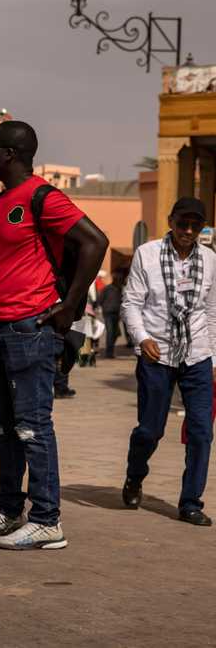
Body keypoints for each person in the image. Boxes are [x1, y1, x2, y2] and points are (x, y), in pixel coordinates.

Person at [0, 120, 108, 550]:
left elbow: (95, 242)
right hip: (1, 327)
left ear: (10, 154)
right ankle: (10, 511)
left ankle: (47, 519)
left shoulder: (43, 196)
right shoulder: (2, 200)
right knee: (4, 426)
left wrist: (69, 306)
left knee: (32, 427)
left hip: (32, 328)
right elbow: (10, 257)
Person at [121, 197, 216, 526]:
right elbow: (131, 303)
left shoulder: (210, 259)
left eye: (195, 225)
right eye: (182, 223)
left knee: (202, 432)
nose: (188, 231)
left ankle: (190, 502)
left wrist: (213, 358)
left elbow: (211, 311)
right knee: (150, 429)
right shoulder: (146, 255)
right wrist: (142, 338)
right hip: (156, 353)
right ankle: (135, 476)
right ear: (171, 220)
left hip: (198, 355)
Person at [101, 269, 126, 358]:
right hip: (108, 314)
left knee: (115, 333)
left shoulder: (120, 289)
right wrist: (104, 307)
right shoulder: (107, 288)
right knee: (110, 333)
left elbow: (122, 301)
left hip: (116, 314)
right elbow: (100, 299)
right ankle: (109, 353)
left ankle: (110, 350)